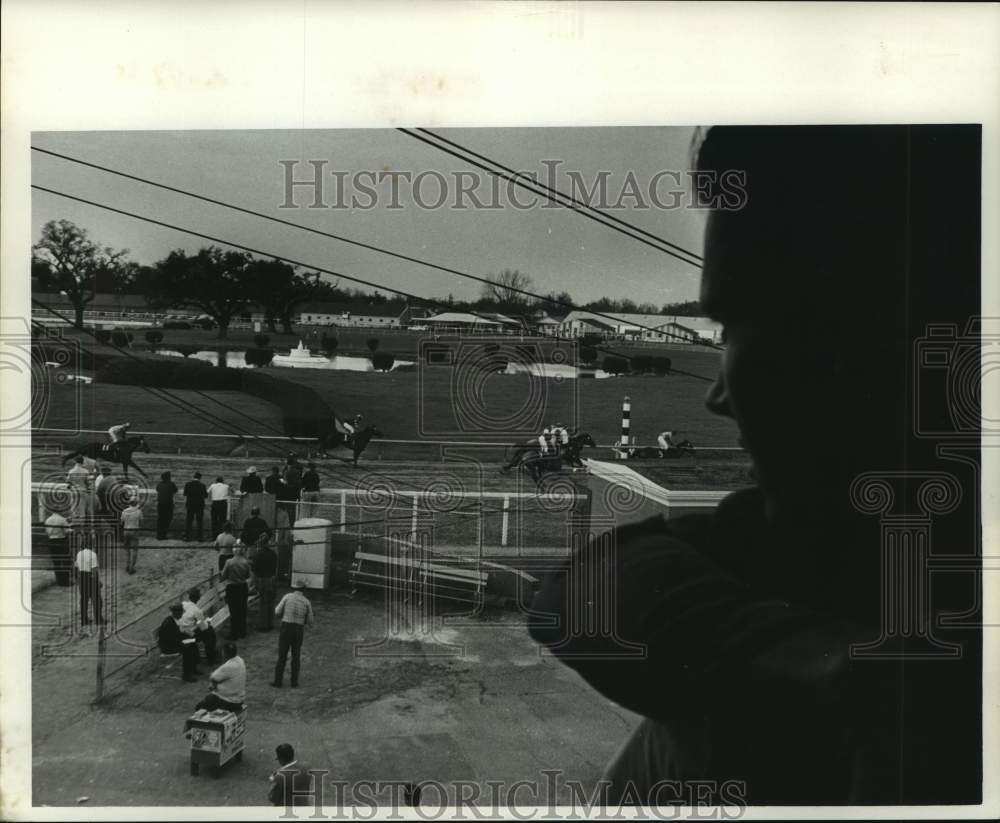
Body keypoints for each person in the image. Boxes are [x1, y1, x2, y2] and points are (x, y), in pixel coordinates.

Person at [528, 126, 982, 805]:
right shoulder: (830, 533)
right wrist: (818, 662)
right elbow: (583, 589)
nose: (716, 393)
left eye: (737, 324)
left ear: (859, 341)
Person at [271, 579, 314, 688]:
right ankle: (294, 682)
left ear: (293, 588)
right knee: (296, 655)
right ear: (304, 589)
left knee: (282, 655)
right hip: (298, 629)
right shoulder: (306, 601)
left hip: (286, 626)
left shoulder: (287, 597)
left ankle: (278, 681)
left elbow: (277, 612)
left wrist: (283, 616)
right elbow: (311, 622)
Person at [194, 642, 246, 713]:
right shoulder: (240, 660)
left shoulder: (228, 666)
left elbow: (213, 677)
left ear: (224, 653)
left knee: (199, 707)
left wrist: (213, 685)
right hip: (240, 699)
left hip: (229, 701)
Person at [157, 604, 200, 682]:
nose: (181, 615)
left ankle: (194, 668)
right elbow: (170, 639)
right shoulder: (168, 623)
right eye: (180, 613)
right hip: (168, 647)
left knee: (193, 642)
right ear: (175, 613)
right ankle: (186, 675)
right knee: (187, 649)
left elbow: (178, 634)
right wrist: (184, 642)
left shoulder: (174, 620)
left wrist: (188, 637)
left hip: (174, 642)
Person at [220, 545, 252, 641]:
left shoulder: (229, 562)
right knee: (242, 610)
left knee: (233, 611)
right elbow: (247, 575)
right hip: (242, 587)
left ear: (234, 551)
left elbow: (223, 576)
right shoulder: (245, 562)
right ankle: (242, 632)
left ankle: (234, 633)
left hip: (232, 587)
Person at [180, 587, 219, 664]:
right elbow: (203, 628)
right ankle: (211, 658)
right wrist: (207, 622)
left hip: (181, 632)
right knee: (209, 633)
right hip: (189, 636)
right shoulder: (197, 611)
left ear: (189, 597)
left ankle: (212, 655)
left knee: (208, 631)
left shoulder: (183, 604)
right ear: (198, 599)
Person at [74, 542, 103, 633]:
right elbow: (94, 571)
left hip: (81, 577)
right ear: (91, 546)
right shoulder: (93, 554)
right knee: (97, 599)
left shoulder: (79, 553)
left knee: (84, 599)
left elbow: (76, 567)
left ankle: (84, 620)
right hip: (90, 577)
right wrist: (98, 581)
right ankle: (98, 619)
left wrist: (77, 579)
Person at [252, 536, 278, 631]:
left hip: (263, 580)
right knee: (271, 603)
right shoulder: (273, 554)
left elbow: (254, 570)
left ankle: (263, 626)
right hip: (272, 579)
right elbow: (275, 567)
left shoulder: (258, 555)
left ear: (261, 544)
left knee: (263, 603)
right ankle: (270, 623)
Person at [43, 509, 72, 587]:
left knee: (56, 562)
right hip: (61, 540)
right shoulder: (62, 519)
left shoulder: (48, 520)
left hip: (52, 541)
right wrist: (71, 529)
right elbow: (66, 531)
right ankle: (66, 581)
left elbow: (47, 532)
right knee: (65, 561)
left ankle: (59, 581)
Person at [120, 495, 143, 574]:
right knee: (135, 550)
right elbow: (141, 521)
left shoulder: (125, 511)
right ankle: (132, 567)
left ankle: (127, 565)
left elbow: (121, 522)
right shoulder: (138, 511)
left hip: (126, 530)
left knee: (127, 549)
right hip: (135, 530)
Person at [67, 455, 93, 522]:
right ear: (82, 462)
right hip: (82, 492)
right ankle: (81, 528)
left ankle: (73, 526)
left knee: (73, 509)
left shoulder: (71, 471)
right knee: (82, 511)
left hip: (73, 491)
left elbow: (68, 482)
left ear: (75, 462)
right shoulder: (85, 471)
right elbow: (88, 483)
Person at [183, 471, 208, 541]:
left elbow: (185, 494)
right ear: (200, 478)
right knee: (199, 521)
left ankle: (187, 537)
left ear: (193, 477)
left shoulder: (188, 484)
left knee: (189, 521)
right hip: (199, 505)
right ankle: (199, 537)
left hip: (190, 504)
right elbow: (205, 495)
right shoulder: (202, 485)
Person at [155, 471, 178, 540]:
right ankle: (163, 534)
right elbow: (175, 490)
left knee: (160, 519)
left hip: (160, 504)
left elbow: (157, 489)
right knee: (167, 519)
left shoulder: (159, 484)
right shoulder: (171, 484)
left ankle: (159, 534)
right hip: (168, 504)